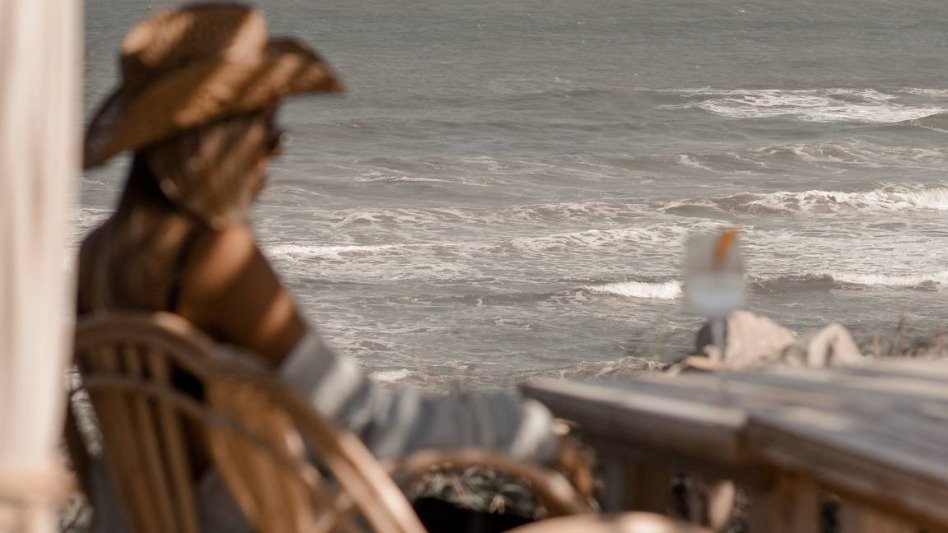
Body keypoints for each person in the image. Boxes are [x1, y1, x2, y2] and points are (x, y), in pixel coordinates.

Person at [76, 4, 586, 531]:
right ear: (224, 140)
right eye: (269, 133)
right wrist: (529, 428)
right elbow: (364, 422)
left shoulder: (94, 256)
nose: (273, 157)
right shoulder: (217, 257)